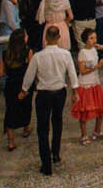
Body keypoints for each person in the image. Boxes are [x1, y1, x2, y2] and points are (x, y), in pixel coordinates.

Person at [18, 28, 79, 175]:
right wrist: (75, 91)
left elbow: (29, 75)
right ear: (58, 38)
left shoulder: (38, 57)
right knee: (57, 122)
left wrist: (24, 90)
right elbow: (72, 73)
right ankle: (56, 154)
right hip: (59, 92)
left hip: (44, 94)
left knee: (43, 128)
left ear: (45, 38)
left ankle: (46, 164)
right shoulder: (65, 55)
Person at [71, 26, 103, 143]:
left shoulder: (94, 50)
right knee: (84, 110)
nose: (94, 40)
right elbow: (82, 71)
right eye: (91, 38)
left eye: (95, 37)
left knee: (101, 106)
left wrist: (102, 63)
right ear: (86, 40)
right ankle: (83, 135)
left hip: (95, 82)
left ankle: (97, 131)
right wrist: (97, 66)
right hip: (85, 84)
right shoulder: (82, 53)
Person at [0, 29, 32, 152]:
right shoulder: (27, 52)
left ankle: (11, 141)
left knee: (10, 110)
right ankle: (26, 128)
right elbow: (31, 70)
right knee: (25, 107)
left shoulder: (5, 53)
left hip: (11, 85)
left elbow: (1, 72)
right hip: (24, 84)